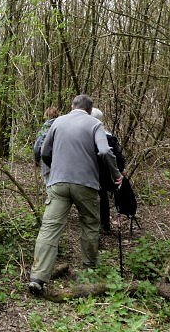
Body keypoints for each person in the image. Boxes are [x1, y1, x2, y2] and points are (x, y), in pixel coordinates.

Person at [28, 94, 123, 296]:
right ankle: (89, 269)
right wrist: (116, 174)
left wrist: (55, 169)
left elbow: (44, 151)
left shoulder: (57, 122)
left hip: (58, 183)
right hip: (86, 184)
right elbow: (105, 152)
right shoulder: (95, 124)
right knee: (90, 224)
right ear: (90, 110)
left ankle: (37, 278)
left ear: (72, 106)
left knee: (49, 227)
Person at [90, 107, 126, 234]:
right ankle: (104, 225)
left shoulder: (90, 136)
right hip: (105, 174)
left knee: (100, 197)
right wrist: (120, 170)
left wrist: (119, 172)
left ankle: (102, 225)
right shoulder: (109, 136)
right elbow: (118, 156)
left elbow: (114, 155)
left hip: (95, 173)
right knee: (102, 196)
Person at [33, 106, 59, 185]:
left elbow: (37, 147)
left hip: (47, 163)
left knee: (49, 186)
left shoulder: (45, 128)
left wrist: (37, 161)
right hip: (62, 165)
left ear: (46, 116)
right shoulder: (63, 126)